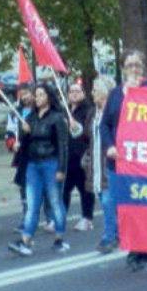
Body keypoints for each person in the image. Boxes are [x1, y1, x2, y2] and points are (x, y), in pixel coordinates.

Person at [8, 85, 71, 256]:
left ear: (49, 97)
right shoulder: (31, 117)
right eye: (36, 95)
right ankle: (26, 239)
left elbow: (63, 145)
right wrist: (22, 134)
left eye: (41, 95)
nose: (37, 98)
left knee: (55, 202)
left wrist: (61, 168)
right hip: (33, 165)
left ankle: (59, 237)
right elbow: (23, 140)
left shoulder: (57, 118)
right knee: (32, 204)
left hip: (51, 162)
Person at [111, 52, 147, 270]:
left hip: (142, 162)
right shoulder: (115, 93)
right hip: (118, 162)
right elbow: (105, 124)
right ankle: (132, 247)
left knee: (141, 208)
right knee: (123, 209)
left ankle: (143, 253)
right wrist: (109, 146)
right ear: (123, 68)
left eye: (137, 64)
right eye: (129, 64)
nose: (133, 68)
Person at [88, 75, 119, 254]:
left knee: (108, 202)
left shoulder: (114, 112)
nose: (92, 94)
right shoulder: (94, 113)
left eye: (95, 90)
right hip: (96, 166)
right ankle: (117, 234)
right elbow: (87, 135)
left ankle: (109, 238)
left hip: (109, 164)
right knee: (105, 202)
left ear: (104, 93)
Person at [64, 82, 96, 232]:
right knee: (64, 189)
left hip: (82, 156)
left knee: (85, 189)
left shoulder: (88, 110)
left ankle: (87, 217)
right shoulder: (66, 110)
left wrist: (78, 128)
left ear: (83, 93)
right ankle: (60, 217)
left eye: (77, 91)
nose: (74, 94)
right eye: (71, 91)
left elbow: (89, 132)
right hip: (67, 155)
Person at [4, 82, 36, 230]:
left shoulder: (41, 110)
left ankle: (51, 219)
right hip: (23, 157)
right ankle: (27, 219)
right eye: (21, 94)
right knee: (24, 190)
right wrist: (12, 144)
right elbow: (9, 133)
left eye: (26, 93)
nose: (24, 97)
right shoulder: (15, 113)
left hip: (40, 155)